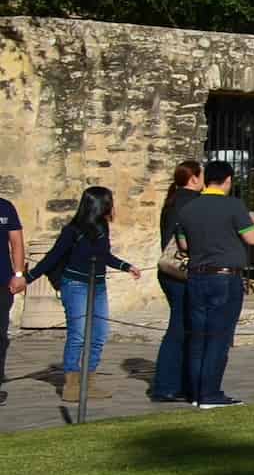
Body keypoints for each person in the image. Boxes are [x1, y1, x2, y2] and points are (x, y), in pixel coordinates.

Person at [25, 187, 141, 399]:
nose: (113, 206)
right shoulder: (73, 230)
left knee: (99, 335)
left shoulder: (102, 226)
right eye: (110, 202)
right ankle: (71, 386)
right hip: (75, 285)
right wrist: (27, 278)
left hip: (98, 286)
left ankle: (89, 383)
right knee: (78, 335)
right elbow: (52, 258)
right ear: (99, 205)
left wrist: (126, 266)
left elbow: (103, 255)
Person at [172, 160, 254, 409]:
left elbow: (183, 246)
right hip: (225, 276)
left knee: (199, 335)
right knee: (219, 336)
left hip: (197, 276)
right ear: (228, 180)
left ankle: (196, 392)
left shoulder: (188, 209)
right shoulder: (233, 205)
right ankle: (210, 393)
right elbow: (252, 238)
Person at [149, 160, 205, 403]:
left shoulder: (174, 201)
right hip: (181, 271)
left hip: (170, 272)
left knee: (183, 326)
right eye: (201, 175)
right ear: (193, 178)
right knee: (179, 328)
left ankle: (178, 382)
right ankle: (166, 385)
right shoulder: (191, 202)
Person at [0, 189, 27, 408]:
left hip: (1, 281)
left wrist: (19, 274)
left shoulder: (5, 207)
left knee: (0, 335)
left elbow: (16, 242)